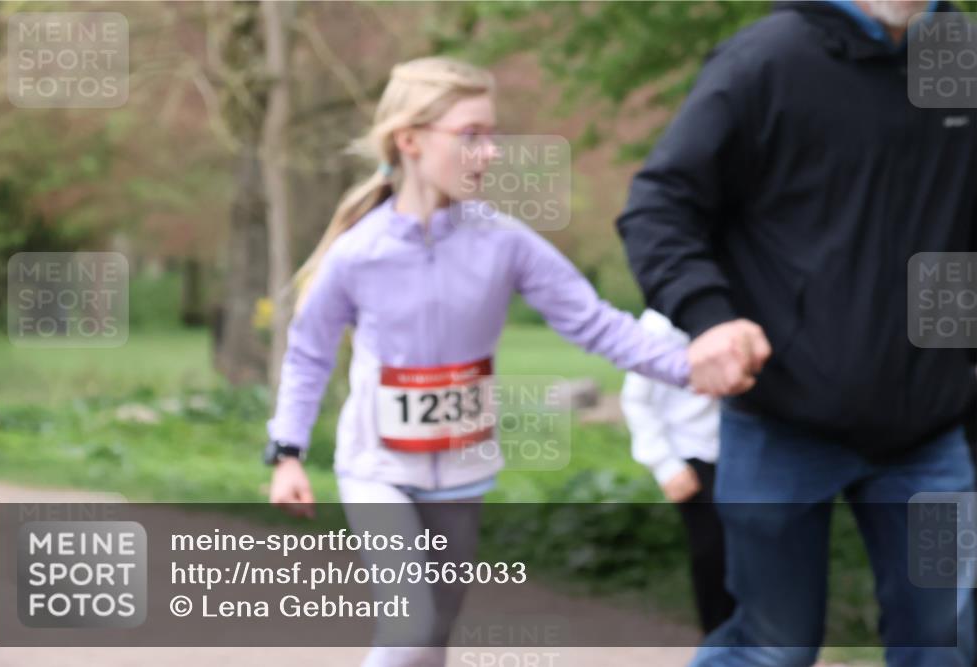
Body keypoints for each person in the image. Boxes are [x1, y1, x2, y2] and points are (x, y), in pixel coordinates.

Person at [262, 56, 755, 667]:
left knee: (436, 629)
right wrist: (287, 451)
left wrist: (692, 367)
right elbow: (308, 354)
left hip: (463, 467)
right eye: (472, 135)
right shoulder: (357, 255)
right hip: (376, 467)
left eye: (493, 135)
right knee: (411, 622)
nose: (492, 152)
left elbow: (596, 323)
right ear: (410, 140)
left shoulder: (505, 243)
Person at [615, 1, 977, 666]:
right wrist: (710, 315)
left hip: (929, 428)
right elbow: (659, 206)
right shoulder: (768, 60)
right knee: (772, 649)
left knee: (947, 643)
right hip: (785, 418)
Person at [620, 308, 735, 636]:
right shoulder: (659, 324)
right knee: (712, 553)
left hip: (748, 451)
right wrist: (664, 464)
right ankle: (719, 644)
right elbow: (637, 400)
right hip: (693, 455)